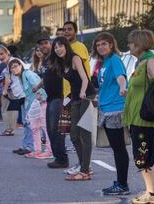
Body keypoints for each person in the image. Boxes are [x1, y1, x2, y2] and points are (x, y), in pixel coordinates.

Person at [121, 29, 154, 204]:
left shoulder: (150, 61)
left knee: (143, 156)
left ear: (139, 43)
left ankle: (152, 195)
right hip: (137, 119)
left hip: (145, 119)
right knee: (141, 155)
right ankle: (150, 192)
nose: (129, 45)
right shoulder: (140, 63)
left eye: (131, 42)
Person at [49, 36, 96, 181]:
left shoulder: (75, 58)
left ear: (66, 46)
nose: (58, 49)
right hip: (75, 98)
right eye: (55, 47)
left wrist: (82, 91)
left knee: (84, 134)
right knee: (74, 135)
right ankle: (84, 166)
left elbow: (84, 78)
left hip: (86, 96)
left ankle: (84, 171)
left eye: (60, 46)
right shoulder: (62, 63)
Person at [92, 32, 130, 195]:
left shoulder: (114, 60)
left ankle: (122, 184)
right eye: (98, 45)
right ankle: (121, 182)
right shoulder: (104, 62)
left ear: (111, 45)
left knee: (119, 148)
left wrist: (122, 87)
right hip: (105, 108)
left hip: (115, 109)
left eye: (104, 44)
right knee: (116, 148)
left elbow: (121, 76)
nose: (101, 47)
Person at [36, 36, 69, 169]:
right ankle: (58, 157)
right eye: (40, 44)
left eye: (45, 43)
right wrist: (38, 86)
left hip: (59, 98)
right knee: (50, 130)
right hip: (50, 98)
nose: (43, 46)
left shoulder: (57, 58)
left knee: (56, 130)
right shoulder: (45, 60)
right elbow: (47, 77)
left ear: (51, 44)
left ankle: (62, 159)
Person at [9, 59, 53, 159]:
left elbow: (38, 84)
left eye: (16, 66)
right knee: (34, 127)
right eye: (11, 68)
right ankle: (37, 150)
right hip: (33, 105)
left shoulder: (27, 73)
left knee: (44, 127)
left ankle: (49, 151)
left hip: (41, 102)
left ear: (21, 65)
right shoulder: (21, 77)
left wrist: (41, 97)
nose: (14, 69)